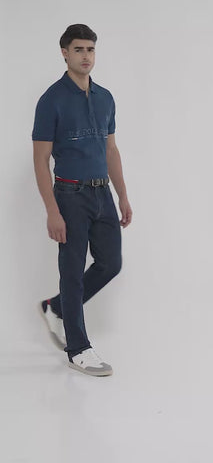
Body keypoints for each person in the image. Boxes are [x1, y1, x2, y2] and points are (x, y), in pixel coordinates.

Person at [32, 24, 132, 377]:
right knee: (72, 272)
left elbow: (111, 149)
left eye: (90, 49)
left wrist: (122, 195)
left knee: (110, 263)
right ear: (65, 53)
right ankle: (78, 349)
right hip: (70, 194)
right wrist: (52, 211)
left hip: (102, 192)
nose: (86, 56)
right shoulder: (52, 99)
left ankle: (56, 308)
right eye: (78, 49)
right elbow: (40, 159)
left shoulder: (105, 97)